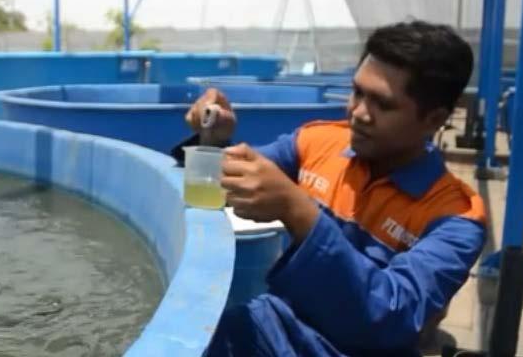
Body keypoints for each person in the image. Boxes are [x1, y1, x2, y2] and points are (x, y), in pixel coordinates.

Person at [173, 20, 487, 356]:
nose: (358, 113)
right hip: (275, 325)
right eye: (357, 92)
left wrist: (298, 211)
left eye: (382, 104)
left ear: (434, 120)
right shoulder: (317, 141)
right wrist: (214, 139)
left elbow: (393, 317)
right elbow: (229, 177)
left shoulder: (457, 218)